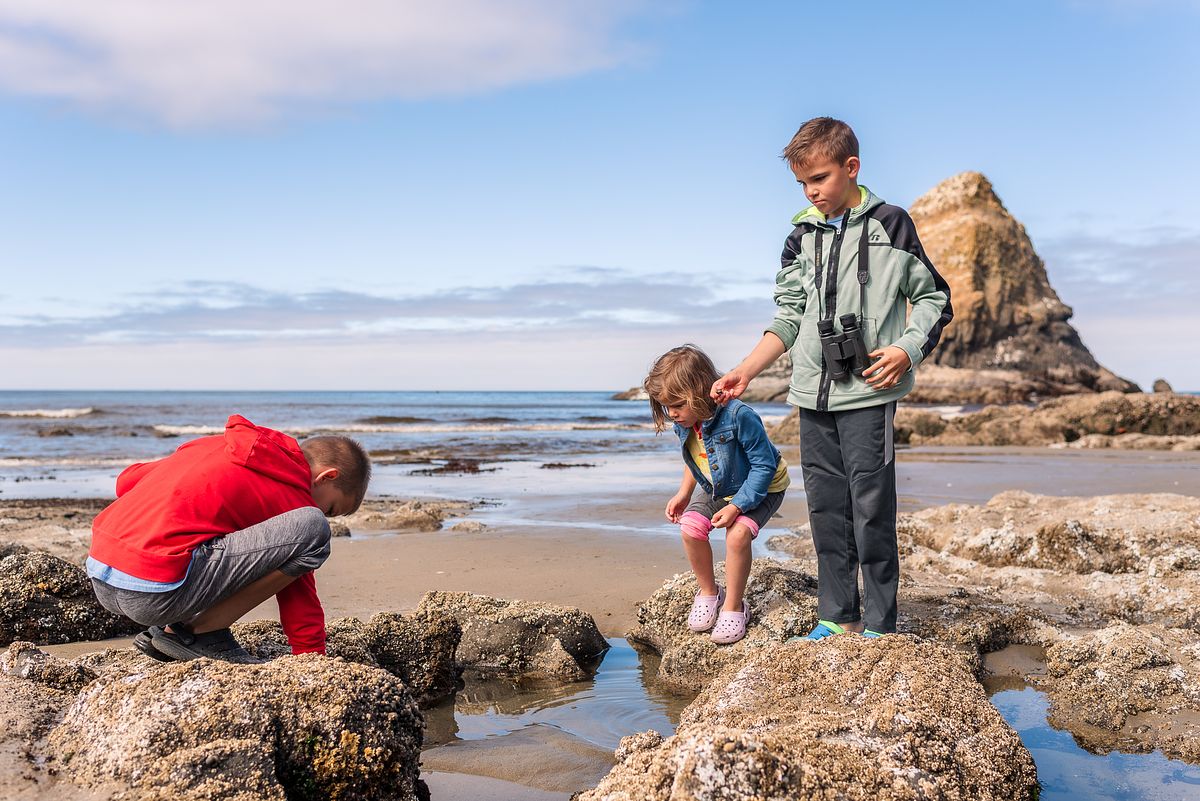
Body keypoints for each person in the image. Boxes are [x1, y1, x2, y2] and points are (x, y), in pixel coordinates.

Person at [711, 117, 953, 640]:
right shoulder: (799, 239)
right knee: (825, 510)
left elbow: (935, 297)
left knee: (871, 509)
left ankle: (881, 624)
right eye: (802, 183)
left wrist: (906, 351)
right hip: (812, 398)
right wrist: (745, 371)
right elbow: (787, 317)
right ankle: (837, 616)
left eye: (819, 178)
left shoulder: (893, 224)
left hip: (868, 393)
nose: (811, 191)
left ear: (851, 168)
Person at [87, 414, 370, 662]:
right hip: (153, 594)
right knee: (313, 530)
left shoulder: (216, 445)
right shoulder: (292, 496)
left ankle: (172, 628)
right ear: (326, 477)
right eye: (330, 508)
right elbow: (298, 592)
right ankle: (200, 633)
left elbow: (125, 481)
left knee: (207, 526)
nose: (323, 512)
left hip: (100, 573)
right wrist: (311, 655)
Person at [645, 345, 790, 645]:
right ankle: (710, 592)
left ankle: (735, 607)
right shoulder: (684, 421)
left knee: (737, 536)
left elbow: (763, 466)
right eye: (665, 407)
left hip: (762, 485)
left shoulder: (739, 416)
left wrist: (737, 507)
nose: (671, 413)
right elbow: (698, 457)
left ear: (699, 391)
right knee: (690, 527)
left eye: (676, 405)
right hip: (718, 485)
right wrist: (684, 494)